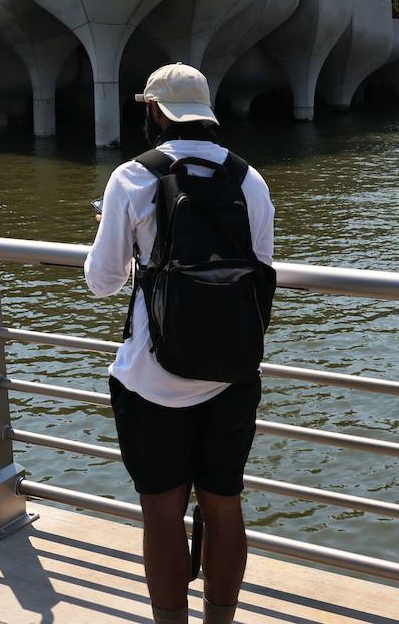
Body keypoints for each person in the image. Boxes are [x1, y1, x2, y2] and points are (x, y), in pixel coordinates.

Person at [84, 64, 274, 624]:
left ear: (155, 112)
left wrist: (110, 228)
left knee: (163, 514)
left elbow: (103, 280)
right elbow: (261, 271)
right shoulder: (249, 179)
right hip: (232, 373)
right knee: (224, 505)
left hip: (152, 379)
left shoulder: (131, 178)